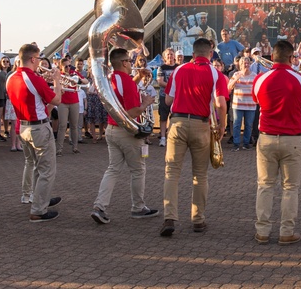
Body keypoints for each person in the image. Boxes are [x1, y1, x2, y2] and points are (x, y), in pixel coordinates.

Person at [160, 38, 228, 236]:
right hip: (201, 125)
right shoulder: (215, 73)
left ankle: (169, 217)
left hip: (177, 123)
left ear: (193, 52)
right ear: (210, 53)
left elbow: (168, 99)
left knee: (172, 171)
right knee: (200, 174)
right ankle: (198, 220)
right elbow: (221, 104)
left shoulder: (179, 70)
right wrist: (222, 125)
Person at [251, 39, 301, 245]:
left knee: (265, 186)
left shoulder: (261, 79)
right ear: (290, 57)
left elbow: (257, 101)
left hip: (267, 138)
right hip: (293, 139)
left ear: (272, 56)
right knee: (290, 188)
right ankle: (286, 231)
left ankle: (262, 230)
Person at [90, 48, 160, 225]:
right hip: (127, 133)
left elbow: (120, 96)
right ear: (123, 63)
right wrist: (146, 103)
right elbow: (130, 112)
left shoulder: (111, 79)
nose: (132, 64)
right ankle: (138, 207)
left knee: (113, 169)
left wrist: (136, 79)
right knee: (138, 170)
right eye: (129, 61)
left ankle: (100, 206)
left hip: (112, 130)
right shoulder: (126, 82)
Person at [6, 43, 63, 221]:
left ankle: (40, 198)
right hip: (38, 127)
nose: (40, 62)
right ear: (32, 59)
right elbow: (57, 100)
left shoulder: (11, 78)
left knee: (38, 166)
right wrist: (57, 81)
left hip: (23, 127)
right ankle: (39, 210)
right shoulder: (34, 79)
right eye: (38, 59)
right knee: (47, 170)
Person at [227, 56, 257, 151]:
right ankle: (236, 144)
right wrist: (236, 79)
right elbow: (229, 88)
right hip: (238, 104)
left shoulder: (254, 75)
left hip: (250, 105)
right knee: (236, 124)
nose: (246, 65)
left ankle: (246, 143)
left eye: (248, 63)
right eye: (244, 63)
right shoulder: (236, 74)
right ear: (240, 65)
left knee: (248, 125)